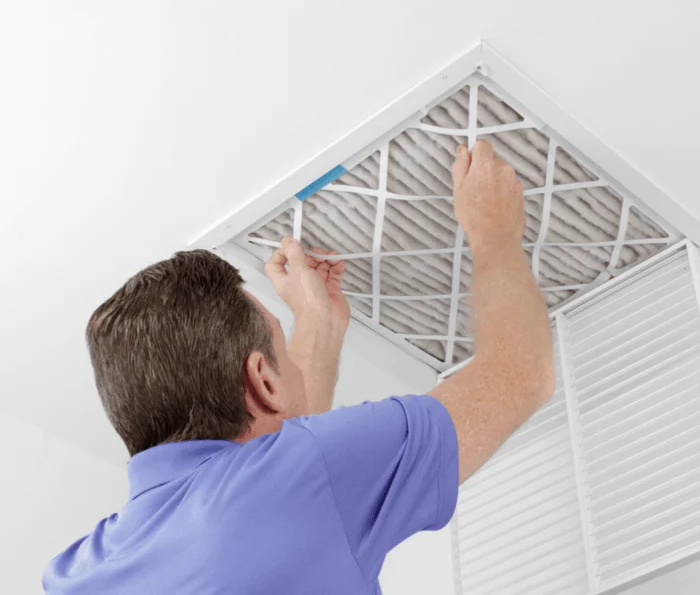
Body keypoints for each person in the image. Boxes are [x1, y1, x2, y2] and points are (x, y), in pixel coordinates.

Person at [43, 140, 554, 594]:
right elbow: (522, 372)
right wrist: (494, 230)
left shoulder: (73, 574)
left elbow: (282, 474)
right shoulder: (298, 478)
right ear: (264, 380)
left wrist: (316, 322)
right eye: (281, 355)